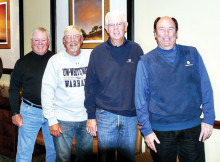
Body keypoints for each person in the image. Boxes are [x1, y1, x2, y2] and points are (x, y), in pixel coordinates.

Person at [135, 16, 215, 162]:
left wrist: (209, 119)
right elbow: (140, 100)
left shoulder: (192, 54)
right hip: (160, 133)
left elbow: (206, 88)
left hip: (192, 130)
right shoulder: (145, 62)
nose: (166, 34)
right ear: (155, 33)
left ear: (176, 33)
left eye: (170, 29)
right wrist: (146, 131)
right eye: (161, 29)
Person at [84, 10, 144, 162]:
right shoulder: (97, 53)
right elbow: (90, 86)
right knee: (105, 158)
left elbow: (144, 84)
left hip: (130, 116)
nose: (116, 28)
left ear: (126, 26)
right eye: (111, 25)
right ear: (106, 28)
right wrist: (91, 116)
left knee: (127, 159)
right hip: (105, 115)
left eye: (119, 24)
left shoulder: (136, 50)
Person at [41, 25, 93, 162]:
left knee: (86, 158)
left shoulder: (90, 58)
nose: (72, 40)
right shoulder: (55, 61)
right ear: (63, 41)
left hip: (87, 118)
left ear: (81, 39)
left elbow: (98, 86)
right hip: (63, 120)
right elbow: (47, 92)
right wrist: (51, 120)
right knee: (63, 159)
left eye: (75, 36)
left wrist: (95, 115)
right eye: (68, 37)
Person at [9, 27, 56, 162]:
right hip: (29, 111)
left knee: (54, 151)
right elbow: (13, 89)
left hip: (52, 112)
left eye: (43, 40)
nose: (40, 43)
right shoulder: (22, 63)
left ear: (48, 42)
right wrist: (15, 113)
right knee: (24, 153)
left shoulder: (56, 60)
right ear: (31, 41)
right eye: (36, 40)